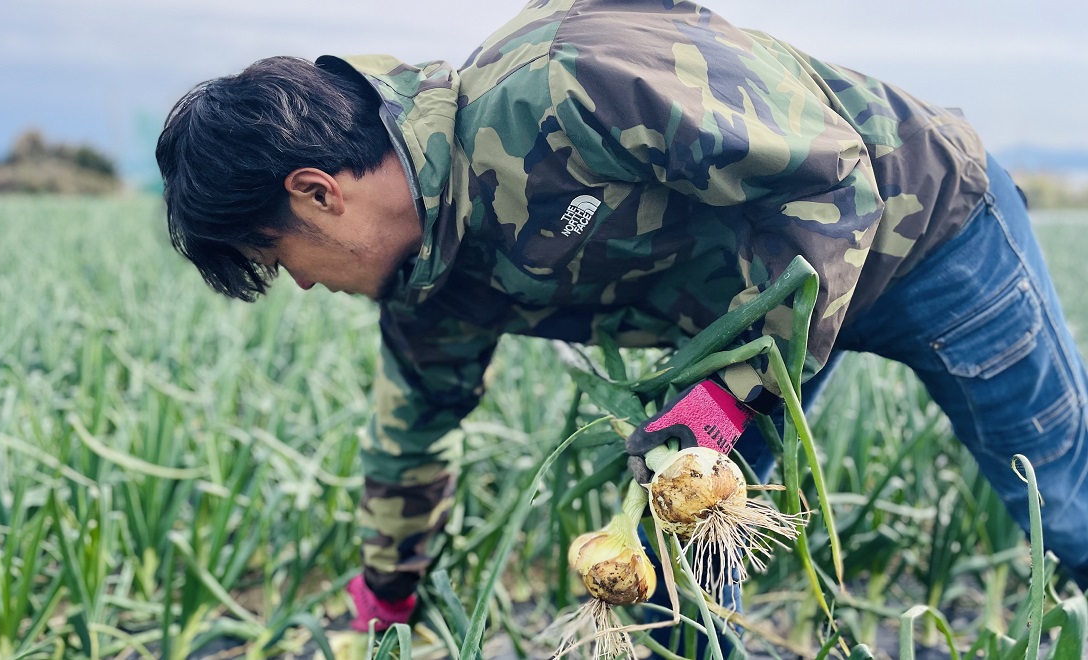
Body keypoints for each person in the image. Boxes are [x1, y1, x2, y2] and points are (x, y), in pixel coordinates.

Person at [154, 0, 1088, 649]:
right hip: (750, 324)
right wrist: (386, 595)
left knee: (1061, 504)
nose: (306, 288)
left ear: (316, 194)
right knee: (665, 575)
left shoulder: (565, 83)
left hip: (924, 233)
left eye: (283, 263)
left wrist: (723, 404)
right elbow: (413, 433)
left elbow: (833, 182)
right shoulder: (423, 279)